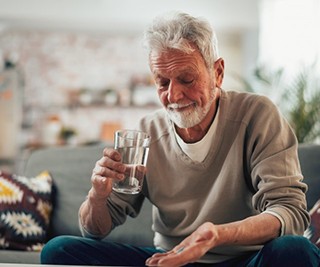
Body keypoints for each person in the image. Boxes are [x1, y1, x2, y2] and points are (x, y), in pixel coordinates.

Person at [41, 12, 320, 266]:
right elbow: (95, 230)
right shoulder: (145, 133)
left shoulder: (257, 116)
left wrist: (216, 235)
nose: (173, 96)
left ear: (218, 73)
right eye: (162, 83)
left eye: (187, 79)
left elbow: (291, 214)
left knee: (294, 250)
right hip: (170, 261)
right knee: (58, 250)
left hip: (246, 260)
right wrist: (98, 196)